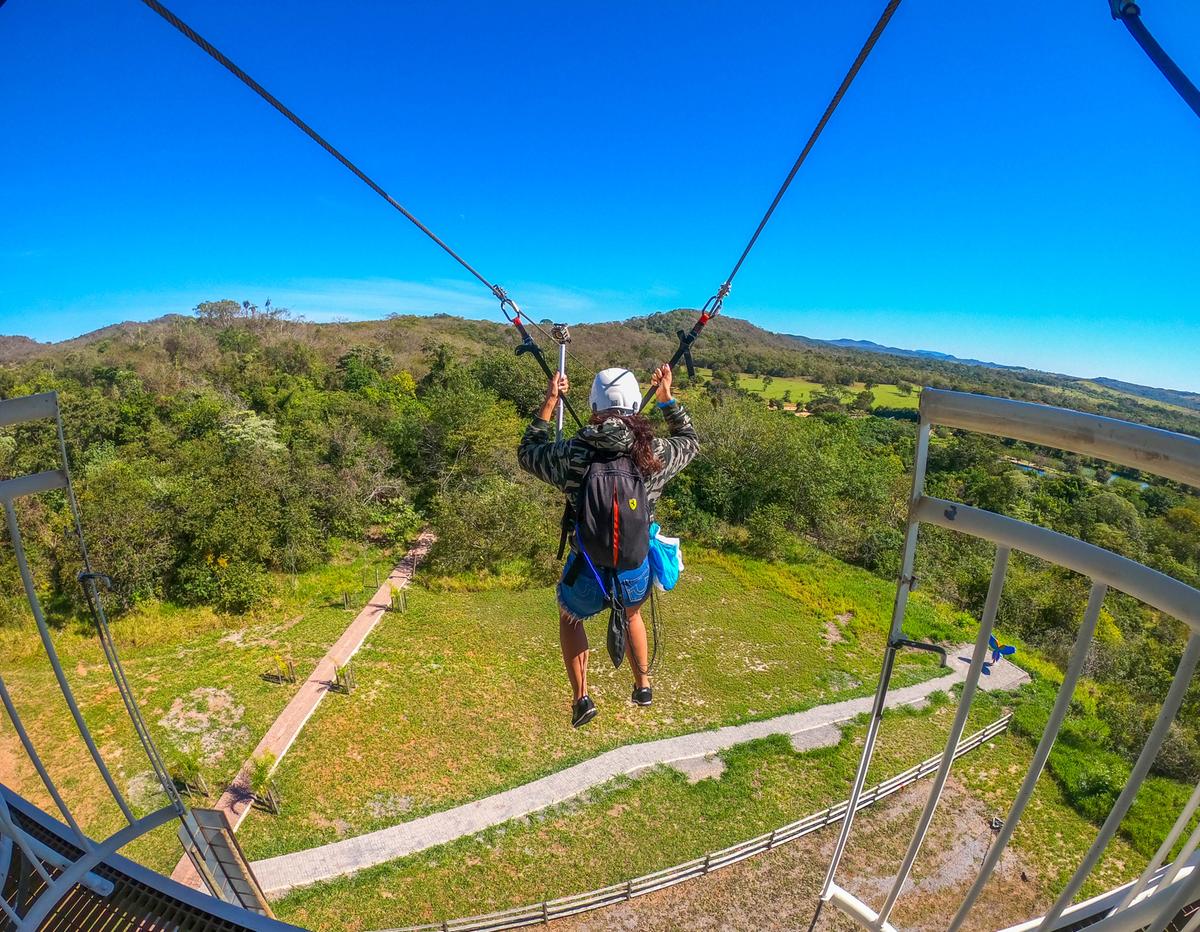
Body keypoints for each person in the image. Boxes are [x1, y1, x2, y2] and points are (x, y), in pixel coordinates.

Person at [518, 363, 699, 728]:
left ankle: (581, 698)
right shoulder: (654, 453)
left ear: (593, 406)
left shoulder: (572, 453)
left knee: (570, 617)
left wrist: (551, 400)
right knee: (631, 613)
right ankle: (642, 685)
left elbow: (528, 451)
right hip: (634, 564)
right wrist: (666, 399)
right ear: (635, 403)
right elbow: (690, 442)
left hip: (588, 566)